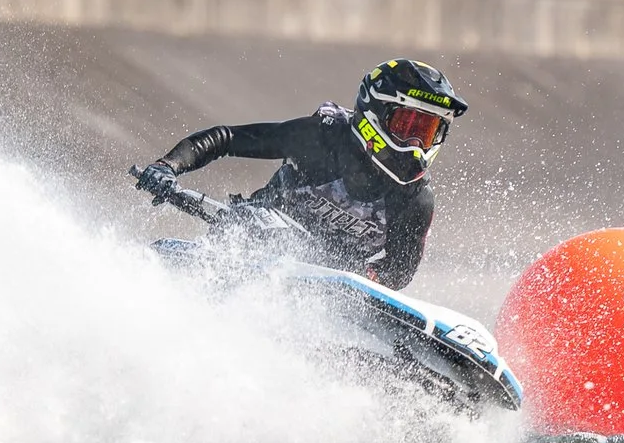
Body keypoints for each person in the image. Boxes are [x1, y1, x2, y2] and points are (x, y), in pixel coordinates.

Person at [132, 59, 468, 290]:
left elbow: (399, 271)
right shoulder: (322, 138)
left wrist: (362, 276)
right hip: (250, 244)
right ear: (376, 112)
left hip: (330, 286)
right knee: (266, 227)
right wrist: (167, 166)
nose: (415, 144)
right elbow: (227, 138)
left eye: (426, 132)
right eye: (408, 125)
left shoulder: (415, 200)